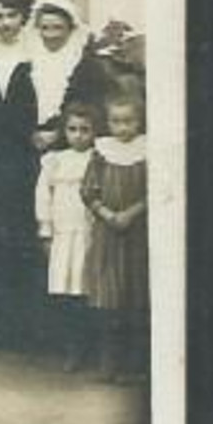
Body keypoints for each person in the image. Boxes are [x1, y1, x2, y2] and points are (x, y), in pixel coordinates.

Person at [0, 0, 42, 349]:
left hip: (23, 154)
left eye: (12, 15)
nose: (5, 23)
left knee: (23, 232)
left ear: (23, 18)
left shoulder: (34, 55)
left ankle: (27, 325)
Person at [81, 91, 149, 383]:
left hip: (136, 234)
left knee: (135, 299)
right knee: (109, 301)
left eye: (129, 121)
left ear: (139, 122)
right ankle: (108, 364)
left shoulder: (147, 151)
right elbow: (88, 190)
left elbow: (156, 190)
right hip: (108, 234)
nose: (123, 128)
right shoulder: (101, 152)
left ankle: (134, 368)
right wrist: (108, 214)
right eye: (116, 122)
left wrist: (130, 214)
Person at [36, 103, 100, 372]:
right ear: (65, 131)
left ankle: (92, 348)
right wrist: (46, 231)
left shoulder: (100, 159)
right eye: (72, 129)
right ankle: (71, 349)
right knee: (66, 292)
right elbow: (43, 196)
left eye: (85, 130)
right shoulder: (55, 160)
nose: (78, 135)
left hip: (91, 234)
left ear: (95, 132)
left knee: (89, 291)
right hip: (63, 234)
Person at [29, 0, 111, 151]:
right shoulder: (27, 64)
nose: (51, 35)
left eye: (58, 28)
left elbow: (94, 108)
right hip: (31, 141)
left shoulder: (88, 66)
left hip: (74, 142)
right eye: (45, 28)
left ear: (71, 29)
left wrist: (59, 132)